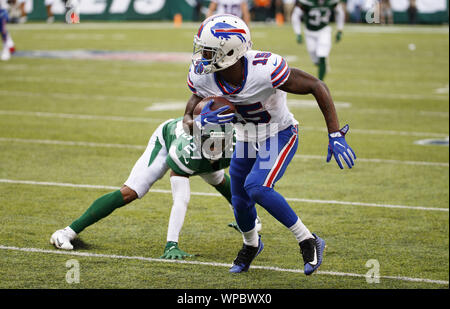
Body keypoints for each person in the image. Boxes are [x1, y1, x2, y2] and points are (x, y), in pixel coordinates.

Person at [183, 14, 356, 275]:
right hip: (245, 138)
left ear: (230, 50)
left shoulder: (265, 68)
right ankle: (251, 245)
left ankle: (308, 240)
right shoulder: (204, 76)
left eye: (210, 51)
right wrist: (194, 121)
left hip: (279, 133)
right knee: (239, 200)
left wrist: (334, 133)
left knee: (257, 187)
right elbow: (191, 106)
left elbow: (316, 85)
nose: (203, 56)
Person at [50, 116, 261, 259]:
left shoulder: (237, 142)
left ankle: (251, 220)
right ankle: (66, 232)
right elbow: (181, 199)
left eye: (218, 144)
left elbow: (246, 178)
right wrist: (172, 244)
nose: (214, 148)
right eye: (209, 144)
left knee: (219, 178)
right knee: (131, 191)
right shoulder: (186, 151)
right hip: (166, 141)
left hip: (203, 149)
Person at [291, 0, 345, 80]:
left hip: (324, 30)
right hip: (309, 32)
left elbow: (340, 12)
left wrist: (340, 30)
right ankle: (323, 65)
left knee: (322, 55)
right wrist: (298, 32)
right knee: (315, 59)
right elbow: (296, 15)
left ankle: (320, 82)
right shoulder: (306, 2)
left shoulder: (331, 2)